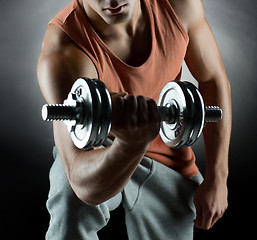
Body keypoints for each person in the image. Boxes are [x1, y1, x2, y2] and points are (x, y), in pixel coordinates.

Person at [37, 0, 232, 239]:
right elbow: (81, 180)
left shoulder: (179, 6)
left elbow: (212, 79)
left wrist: (218, 177)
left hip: (168, 163)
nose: (113, 1)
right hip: (99, 155)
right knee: (70, 201)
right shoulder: (64, 49)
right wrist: (131, 143)